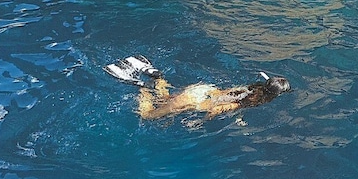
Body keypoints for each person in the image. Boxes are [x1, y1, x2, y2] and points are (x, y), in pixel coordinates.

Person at [104, 55, 291, 121]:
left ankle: (158, 77)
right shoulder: (253, 101)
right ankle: (141, 87)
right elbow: (221, 108)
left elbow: (231, 98)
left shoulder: (252, 87)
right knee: (148, 116)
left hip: (203, 90)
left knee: (165, 100)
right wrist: (202, 122)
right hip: (196, 101)